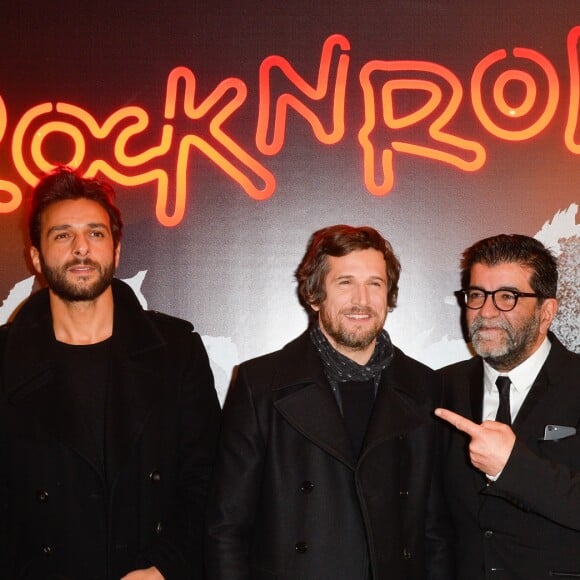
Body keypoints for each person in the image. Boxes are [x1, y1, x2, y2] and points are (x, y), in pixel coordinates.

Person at [0, 167, 221, 580]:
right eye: (62, 234)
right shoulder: (4, 358)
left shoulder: (176, 351)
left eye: (96, 234)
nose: (81, 248)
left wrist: (164, 567)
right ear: (35, 256)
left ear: (116, 251)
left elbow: (207, 476)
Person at [205, 224, 446, 580]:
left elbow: (435, 530)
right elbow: (226, 527)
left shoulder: (425, 387)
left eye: (375, 284)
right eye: (345, 283)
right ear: (315, 295)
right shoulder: (261, 385)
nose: (361, 300)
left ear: (389, 296)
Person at [435, 234, 580, 580]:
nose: (485, 311)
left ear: (546, 311)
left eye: (506, 297)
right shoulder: (438, 388)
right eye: (476, 295)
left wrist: (513, 466)